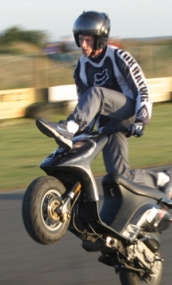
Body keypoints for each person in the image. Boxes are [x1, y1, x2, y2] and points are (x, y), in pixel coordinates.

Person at [36, 11, 172, 199]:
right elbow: (84, 105)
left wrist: (142, 119)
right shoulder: (81, 68)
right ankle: (164, 179)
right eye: (80, 39)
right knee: (119, 176)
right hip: (109, 124)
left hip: (129, 114)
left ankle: (68, 127)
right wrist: (81, 137)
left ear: (100, 39)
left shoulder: (119, 57)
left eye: (88, 40)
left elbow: (142, 89)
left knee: (97, 92)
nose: (83, 45)